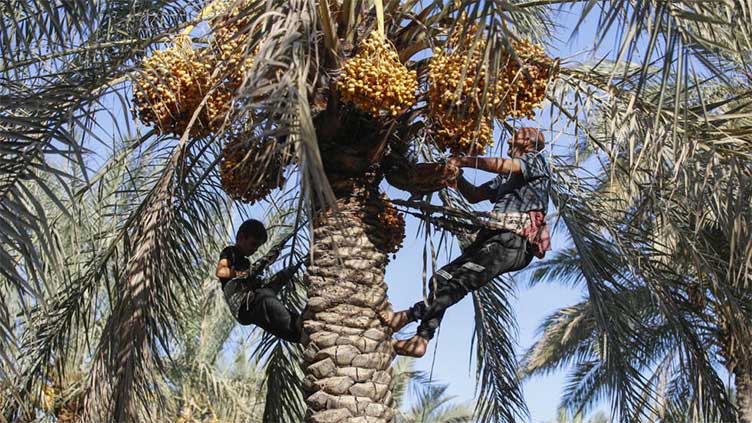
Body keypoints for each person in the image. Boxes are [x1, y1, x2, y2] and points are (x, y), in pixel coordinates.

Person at [380, 127, 552, 357]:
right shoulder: (506, 178)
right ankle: (419, 339)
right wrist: (455, 174)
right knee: (441, 278)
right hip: (492, 239)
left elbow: (506, 164)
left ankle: (409, 319)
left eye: (517, 136)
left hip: (513, 243)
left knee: (457, 284)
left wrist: (464, 160)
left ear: (529, 144)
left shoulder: (537, 162)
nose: (509, 139)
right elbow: (474, 196)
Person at [216, 219, 303, 343]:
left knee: (276, 284)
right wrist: (241, 274)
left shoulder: (246, 262)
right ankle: (295, 324)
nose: (255, 250)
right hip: (242, 304)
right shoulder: (230, 252)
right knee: (265, 297)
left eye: (257, 247)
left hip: (251, 303)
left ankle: (298, 333)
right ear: (241, 237)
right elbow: (220, 272)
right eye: (253, 244)